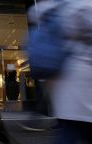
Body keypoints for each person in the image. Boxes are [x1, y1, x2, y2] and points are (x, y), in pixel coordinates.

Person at [30, 0, 92, 143]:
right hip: (81, 77)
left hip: (60, 79)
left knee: (72, 127)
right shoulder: (81, 5)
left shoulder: (52, 8)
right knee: (74, 128)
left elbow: (34, 13)